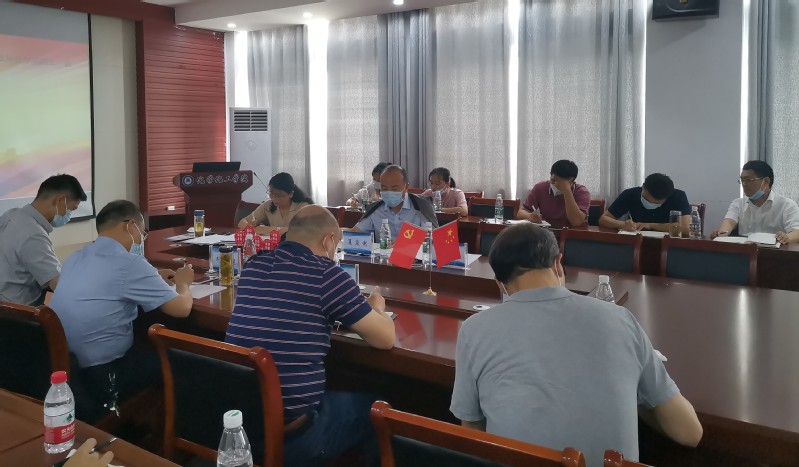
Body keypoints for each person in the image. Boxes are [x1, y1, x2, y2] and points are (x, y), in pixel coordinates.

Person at [450, 223, 703, 467]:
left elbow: (472, 428)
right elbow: (690, 433)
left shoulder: (474, 329)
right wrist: (633, 385)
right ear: (558, 263)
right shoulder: (619, 319)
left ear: (500, 283)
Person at [226, 205, 396, 466]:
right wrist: (377, 308)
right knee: (380, 408)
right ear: (328, 240)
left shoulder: (253, 265)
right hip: (294, 436)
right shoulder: (327, 274)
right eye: (336, 244)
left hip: (242, 423)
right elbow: (385, 339)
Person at [51, 200, 194, 422]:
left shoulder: (74, 258)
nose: (141, 240)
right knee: (182, 361)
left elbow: (104, 282)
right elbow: (182, 308)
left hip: (67, 369)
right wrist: (183, 284)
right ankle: (169, 429)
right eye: (142, 233)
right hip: (106, 375)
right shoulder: (130, 263)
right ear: (130, 226)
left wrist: (153, 276)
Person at [0, 174, 87, 306]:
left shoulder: (12, 214)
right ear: (60, 200)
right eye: (71, 209)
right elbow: (58, 284)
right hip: (19, 313)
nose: (69, 215)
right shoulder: (33, 234)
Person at [711, 161, 799, 244]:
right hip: (745, 251)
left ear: (766, 181)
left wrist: (786, 237)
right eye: (742, 180)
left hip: (774, 252)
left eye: (748, 180)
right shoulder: (737, 203)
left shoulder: (787, 205)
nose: (744, 184)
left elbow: (797, 232)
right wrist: (722, 233)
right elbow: (729, 222)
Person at [350, 165, 438, 241]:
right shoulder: (375, 209)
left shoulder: (421, 206)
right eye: (384, 188)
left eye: (394, 188)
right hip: (382, 255)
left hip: (414, 255)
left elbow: (433, 238)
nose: (389, 192)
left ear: (406, 187)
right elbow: (355, 232)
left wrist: (404, 243)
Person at [599, 173, 691, 234]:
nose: (651, 204)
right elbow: (603, 219)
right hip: (638, 241)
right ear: (643, 187)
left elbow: (685, 228)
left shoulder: (678, 196)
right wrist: (622, 224)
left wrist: (650, 225)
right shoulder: (630, 194)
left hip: (668, 245)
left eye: (656, 204)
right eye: (647, 200)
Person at [517, 160, 591, 228]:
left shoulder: (582, 192)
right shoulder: (540, 187)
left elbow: (576, 221)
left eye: (561, 183)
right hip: (547, 232)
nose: (556, 185)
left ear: (572, 181)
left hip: (575, 234)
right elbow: (520, 213)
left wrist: (567, 191)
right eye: (553, 180)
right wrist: (530, 216)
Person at [238, 172, 313, 236]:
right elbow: (242, 222)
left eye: (278, 195)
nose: (274, 199)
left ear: (291, 194)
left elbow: (303, 230)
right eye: (271, 194)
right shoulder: (267, 205)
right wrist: (249, 227)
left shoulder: (302, 207)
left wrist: (271, 229)